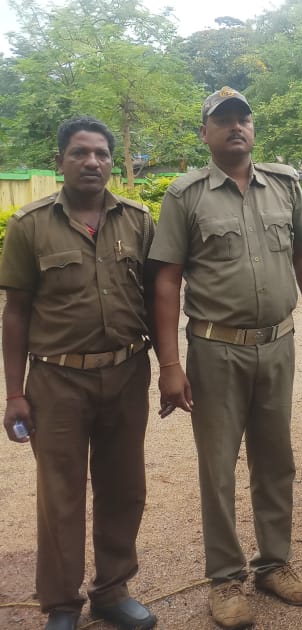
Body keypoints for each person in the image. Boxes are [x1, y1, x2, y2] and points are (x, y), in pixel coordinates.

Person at [147, 87, 302, 630]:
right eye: (223, 120)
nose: (235, 127)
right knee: (218, 466)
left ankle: (274, 564)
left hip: (277, 343)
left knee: (276, 460)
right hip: (215, 348)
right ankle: (225, 579)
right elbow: (166, 279)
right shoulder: (186, 195)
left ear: (253, 127)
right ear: (205, 133)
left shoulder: (285, 185)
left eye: (242, 119)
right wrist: (170, 365)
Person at [1, 117, 157, 630]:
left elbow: (155, 299)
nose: (92, 162)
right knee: (61, 495)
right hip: (57, 381)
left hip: (127, 373)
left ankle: (112, 591)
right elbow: (15, 312)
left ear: (112, 162)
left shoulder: (138, 220)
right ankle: (62, 604)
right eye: (80, 153)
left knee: (124, 488)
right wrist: (15, 393)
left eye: (101, 154)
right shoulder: (29, 225)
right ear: (60, 161)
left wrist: (171, 366)